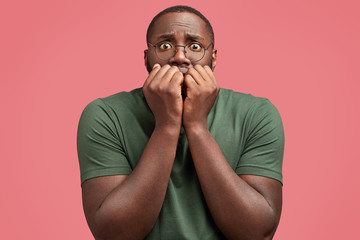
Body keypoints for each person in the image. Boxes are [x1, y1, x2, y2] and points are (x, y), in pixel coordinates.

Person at [77, 5, 284, 240]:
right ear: (146, 57)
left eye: (195, 46)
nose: (179, 56)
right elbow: (113, 234)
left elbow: (257, 233)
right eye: (165, 46)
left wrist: (197, 126)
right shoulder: (105, 114)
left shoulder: (257, 113)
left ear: (213, 57)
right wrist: (167, 125)